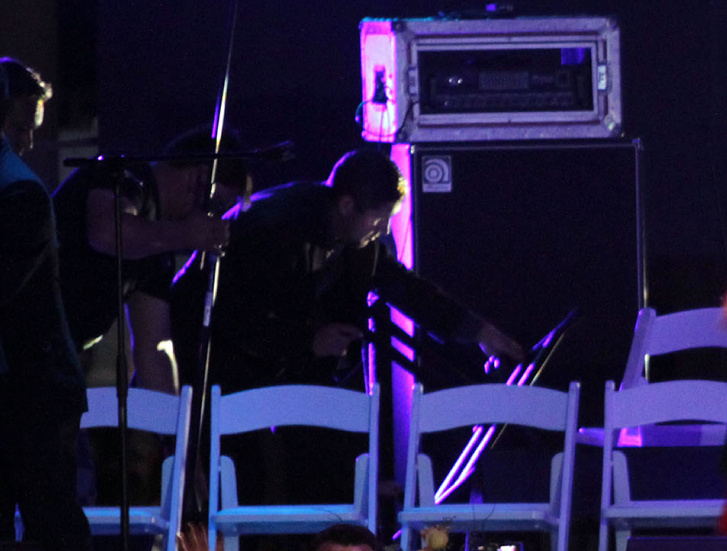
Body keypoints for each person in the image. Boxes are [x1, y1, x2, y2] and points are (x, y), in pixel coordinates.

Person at [199, 146, 523, 395]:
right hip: (221, 373)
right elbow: (233, 314)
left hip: (276, 378)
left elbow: (406, 288)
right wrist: (308, 340)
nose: (382, 230)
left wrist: (478, 331)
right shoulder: (276, 229)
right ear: (347, 205)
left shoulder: (357, 241)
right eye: (379, 218)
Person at [0, 58, 96, 551]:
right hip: (23, 384)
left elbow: (12, 296)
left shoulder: (18, 193)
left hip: (32, 389)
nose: (30, 138)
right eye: (22, 124)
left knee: (52, 527)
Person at [52, 127, 241, 390]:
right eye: (218, 206)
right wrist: (185, 234)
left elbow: (155, 346)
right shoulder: (122, 175)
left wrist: (172, 427)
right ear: (197, 178)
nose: (216, 220)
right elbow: (107, 232)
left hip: (55, 354)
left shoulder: (158, 247)